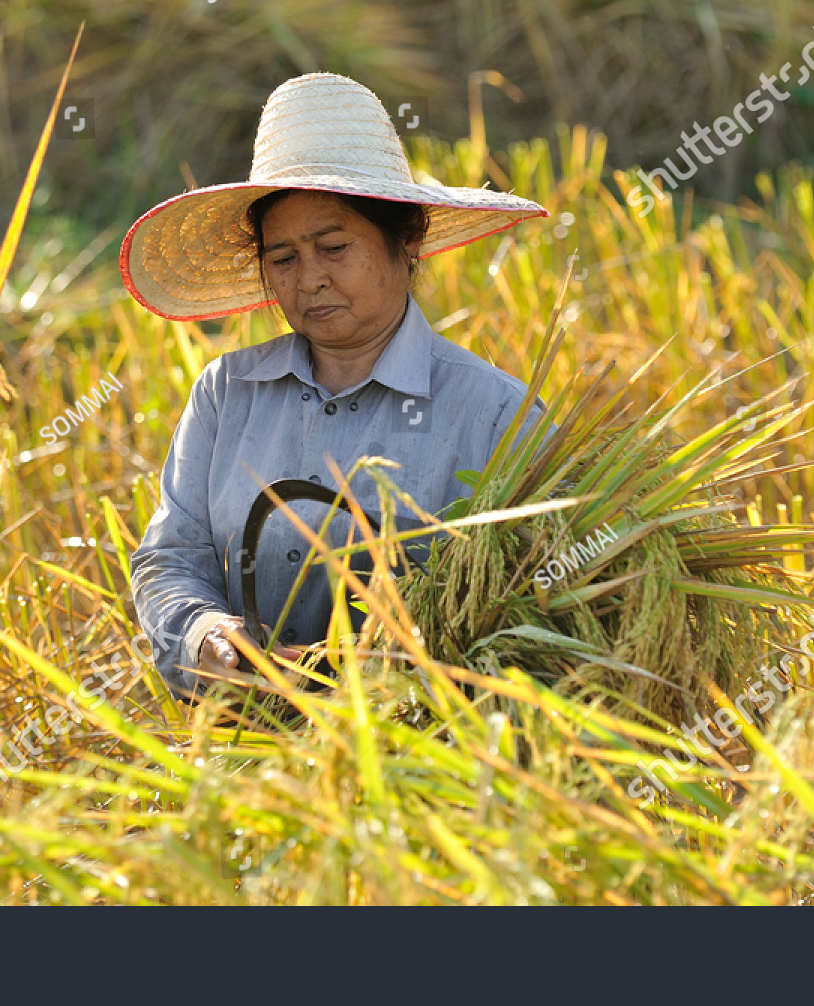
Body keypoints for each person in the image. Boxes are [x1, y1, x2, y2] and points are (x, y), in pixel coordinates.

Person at [122, 71, 549, 698]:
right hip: (246, 758)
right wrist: (205, 634)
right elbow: (170, 557)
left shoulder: (493, 413)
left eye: (334, 247)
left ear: (406, 240)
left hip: (428, 768)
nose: (309, 279)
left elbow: (545, 600)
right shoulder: (226, 394)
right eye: (284, 259)